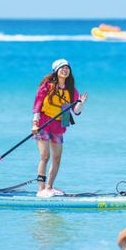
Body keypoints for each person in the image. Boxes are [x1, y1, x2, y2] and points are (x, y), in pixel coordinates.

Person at [32, 59, 88, 198]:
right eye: (62, 68)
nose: (65, 70)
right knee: (45, 156)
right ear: (56, 71)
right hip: (43, 124)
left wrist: (80, 103)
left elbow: (76, 111)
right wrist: (34, 123)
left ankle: (49, 187)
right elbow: (38, 105)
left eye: (67, 68)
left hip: (58, 127)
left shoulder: (71, 90)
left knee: (57, 158)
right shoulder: (46, 86)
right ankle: (41, 189)